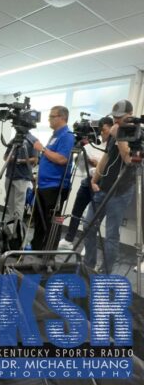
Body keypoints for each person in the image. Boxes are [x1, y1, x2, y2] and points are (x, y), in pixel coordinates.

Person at [83, 101, 136, 274]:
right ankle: (88, 264)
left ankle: (104, 273)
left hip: (121, 191)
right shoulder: (115, 131)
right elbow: (106, 157)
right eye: (115, 117)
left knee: (111, 235)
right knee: (88, 225)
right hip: (103, 187)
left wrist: (120, 135)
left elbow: (128, 159)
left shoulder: (137, 133)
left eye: (120, 118)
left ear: (130, 114)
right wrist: (94, 180)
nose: (116, 121)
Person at [60, 116, 113, 248]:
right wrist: (84, 156)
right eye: (100, 130)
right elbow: (80, 165)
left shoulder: (113, 147)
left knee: (93, 220)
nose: (102, 132)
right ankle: (68, 239)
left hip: (101, 187)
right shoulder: (92, 144)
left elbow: (109, 168)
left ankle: (88, 246)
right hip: (86, 183)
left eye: (105, 130)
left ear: (112, 129)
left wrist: (97, 164)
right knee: (76, 212)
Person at [29, 106, 75, 251]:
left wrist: (42, 149)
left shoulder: (67, 136)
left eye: (52, 116)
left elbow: (62, 159)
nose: (49, 119)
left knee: (52, 223)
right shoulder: (54, 135)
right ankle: (37, 248)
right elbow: (49, 158)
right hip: (44, 185)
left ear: (61, 118)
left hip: (55, 186)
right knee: (38, 219)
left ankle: (48, 255)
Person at [1, 134, 38, 229]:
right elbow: (5, 157)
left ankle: (16, 230)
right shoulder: (14, 139)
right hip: (9, 175)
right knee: (10, 203)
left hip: (22, 177)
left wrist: (20, 160)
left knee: (19, 204)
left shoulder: (33, 140)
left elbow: (35, 159)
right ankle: (10, 227)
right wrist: (10, 158)